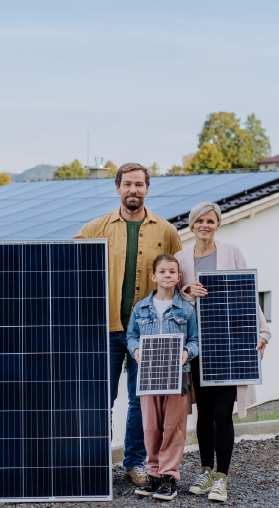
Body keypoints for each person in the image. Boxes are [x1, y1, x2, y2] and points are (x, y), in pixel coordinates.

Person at [74, 163, 182, 486]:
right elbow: (61, 262)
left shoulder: (166, 231)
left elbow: (180, 274)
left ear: (147, 189)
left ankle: (134, 462)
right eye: (127, 184)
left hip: (149, 334)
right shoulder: (95, 228)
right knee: (98, 397)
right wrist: (8, 263)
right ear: (117, 188)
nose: (133, 190)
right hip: (105, 329)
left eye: (139, 184)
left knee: (141, 402)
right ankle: (93, 462)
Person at [175, 201, 271, 502]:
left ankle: (221, 478)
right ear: (192, 225)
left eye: (211, 221)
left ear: (218, 224)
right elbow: (175, 299)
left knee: (221, 412)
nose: (205, 225)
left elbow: (247, 293)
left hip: (229, 344)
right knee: (203, 413)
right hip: (197, 346)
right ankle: (205, 471)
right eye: (199, 220)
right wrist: (187, 292)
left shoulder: (232, 253)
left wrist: (263, 332)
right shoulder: (181, 258)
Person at [126, 253, 199, 501]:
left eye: (172, 272)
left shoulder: (187, 310)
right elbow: (132, 337)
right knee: (150, 426)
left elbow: (196, 340)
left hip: (181, 375)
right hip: (148, 375)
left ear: (179, 278)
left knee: (174, 427)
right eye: (162, 271)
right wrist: (135, 350)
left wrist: (186, 352)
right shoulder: (140, 308)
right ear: (153, 276)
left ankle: (169, 476)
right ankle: (153, 474)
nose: (167, 275)